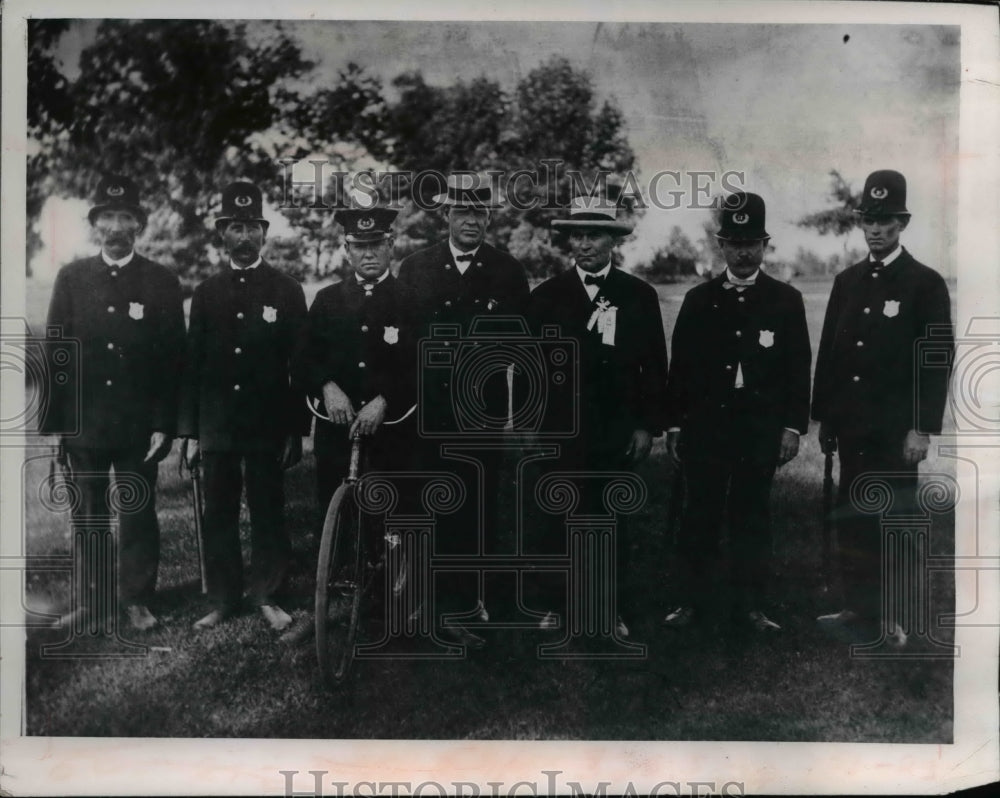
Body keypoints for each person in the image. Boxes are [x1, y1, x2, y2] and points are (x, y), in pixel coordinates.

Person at [812, 169, 953, 647]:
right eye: (869, 220)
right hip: (852, 428)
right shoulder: (847, 281)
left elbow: (935, 362)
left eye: (886, 220)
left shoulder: (925, 283)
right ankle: (857, 607)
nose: (876, 229)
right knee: (853, 516)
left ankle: (893, 615)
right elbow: (831, 353)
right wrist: (826, 417)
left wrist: (922, 429)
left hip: (896, 432)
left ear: (903, 222)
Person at [662, 192, 811, 633]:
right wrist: (674, 423)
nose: (743, 251)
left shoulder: (785, 299)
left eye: (752, 242)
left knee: (751, 513)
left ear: (765, 245)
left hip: (759, 428)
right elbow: (680, 367)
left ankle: (750, 605)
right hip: (706, 426)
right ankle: (692, 601)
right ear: (720, 244)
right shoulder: (698, 299)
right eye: (734, 242)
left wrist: (790, 427)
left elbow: (798, 367)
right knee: (700, 513)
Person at [42, 174, 185, 631]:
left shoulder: (161, 281)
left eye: (126, 217)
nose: (116, 226)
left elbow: (172, 360)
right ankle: (94, 601)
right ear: (95, 225)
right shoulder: (72, 278)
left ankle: (137, 599)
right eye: (108, 217)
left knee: (138, 510)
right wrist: (57, 425)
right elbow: (56, 352)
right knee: (88, 514)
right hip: (85, 422)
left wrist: (165, 423)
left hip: (137, 425)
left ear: (139, 225)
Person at [396, 172, 530, 647]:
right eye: (462, 211)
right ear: (446, 215)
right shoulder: (415, 268)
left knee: (476, 507)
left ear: (489, 216)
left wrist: (517, 417)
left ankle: (468, 600)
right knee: (425, 504)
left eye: (479, 212)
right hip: (424, 415)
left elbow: (520, 350)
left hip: (482, 416)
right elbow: (402, 343)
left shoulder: (508, 272)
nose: (471, 220)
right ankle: (418, 602)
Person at [528, 194, 669, 637]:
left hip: (615, 428)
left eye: (595, 235)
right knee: (556, 515)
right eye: (578, 235)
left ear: (613, 240)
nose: (585, 244)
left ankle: (610, 608)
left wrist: (647, 425)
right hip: (560, 427)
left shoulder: (638, 295)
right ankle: (554, 604)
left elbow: (654, 366)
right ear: (569, 241)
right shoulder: (547, 296)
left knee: (610, 517)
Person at [178, 181, 309, 632]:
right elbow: (191, 366)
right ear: (223, 234)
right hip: (217, 425)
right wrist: (191, 432)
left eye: (252, 226)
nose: (245, 236)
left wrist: (295, 429)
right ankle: (222, 598)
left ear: (264, 232)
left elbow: (300, 366)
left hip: (266, 425)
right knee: (219, 512)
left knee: (268, 508)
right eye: (236, 227)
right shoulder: (206, 292)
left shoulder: (287, 290)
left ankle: (269, 594)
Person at [295, 204, 416, 524]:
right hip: (337, 429)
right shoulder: (327, 299)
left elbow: (424, 364)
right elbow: (303, 357)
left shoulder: (411, 300)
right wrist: (327, 386)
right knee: (337, 516)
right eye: (360, 246)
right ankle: (337, 569)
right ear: (347, 250)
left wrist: (385, 399)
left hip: (394, 428)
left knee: (391, 518)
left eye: (376, 244)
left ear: (391, 245)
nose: (369, 254)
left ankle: (389, 571)